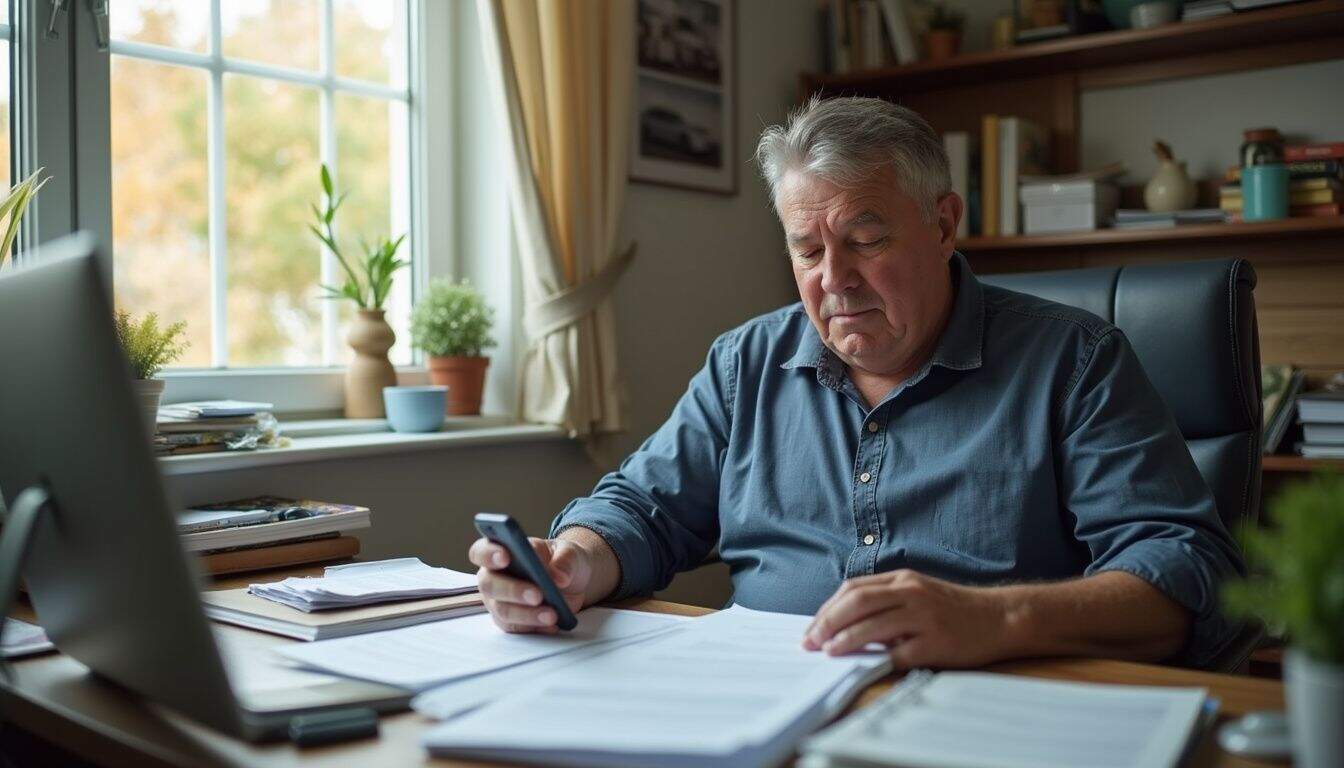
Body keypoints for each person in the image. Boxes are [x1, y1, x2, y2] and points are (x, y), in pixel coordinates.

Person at [468, 96, 1246, 668]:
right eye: (807, 251)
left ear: (944, 224)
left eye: (865, 239)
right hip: (758, 706)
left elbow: (1185, 570)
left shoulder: (1075, 362)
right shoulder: (747, 364)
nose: (834, 280)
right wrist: (574, 560)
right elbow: (642, 508)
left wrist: (992, 619)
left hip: (991, 706)